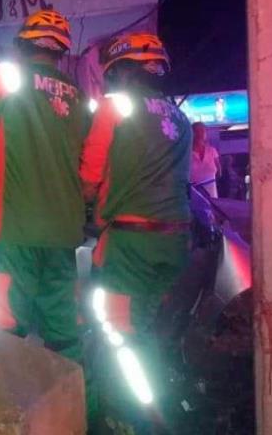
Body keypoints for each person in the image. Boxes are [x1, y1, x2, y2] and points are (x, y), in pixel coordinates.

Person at [80, 32, 192, 433]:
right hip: (175, 242)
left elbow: (89, 179)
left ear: (121, 71)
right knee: (144, 329)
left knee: (119, 334)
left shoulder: (115, 106)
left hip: (132, 243)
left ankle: (138, 419)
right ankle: (156, 401)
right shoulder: (179, 118)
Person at [0, 9, 89, 364]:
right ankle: (77, 398)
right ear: (61, 51)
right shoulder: (77, 96)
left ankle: (0, 400)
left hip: (11, 231)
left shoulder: (6, 76)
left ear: (22, 44)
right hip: (62, 236)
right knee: (65, 337)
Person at [190, 121, 221, 198]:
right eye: (196, 131)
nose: (199, 134)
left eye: (202, 131)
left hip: (213, 197)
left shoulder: (212, 151)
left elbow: (219, 173)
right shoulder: (186, 153)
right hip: (194, 198)